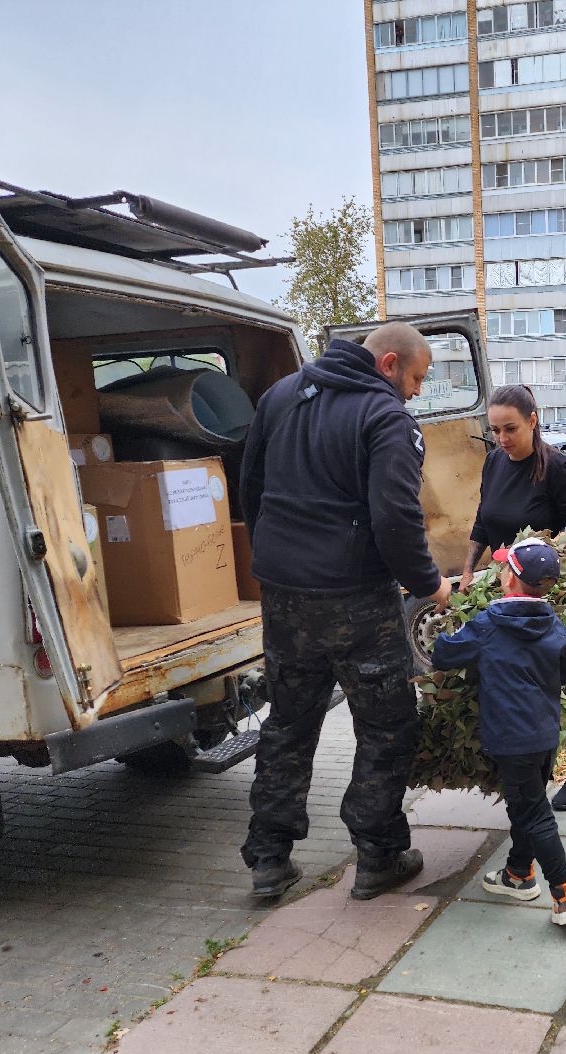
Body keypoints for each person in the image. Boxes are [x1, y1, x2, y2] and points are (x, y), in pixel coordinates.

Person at [240, 323, 453, 901]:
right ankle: (379, 854)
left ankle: (268, 858)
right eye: (416, 378)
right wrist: (429, 585)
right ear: (389, 364)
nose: (415, 392)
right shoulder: (387, 419)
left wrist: (277, 559)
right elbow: (395, 518)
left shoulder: (280, 397)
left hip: (284, 597)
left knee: (288, 722)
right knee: (387, 726)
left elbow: (251, 489)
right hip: (358, 600)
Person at [459, 385, 566, 811]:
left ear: (533, 421)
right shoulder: (493, 462)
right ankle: (523, 767)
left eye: (510, 429)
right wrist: (468, 569)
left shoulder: (555, 466)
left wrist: (547, 555)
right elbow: (484, 519)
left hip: (544, 591)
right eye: (495, 429)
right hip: (503, 587)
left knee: (558, 677)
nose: (502, 438)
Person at [433, 537, 566, 925]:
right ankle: (518, 873)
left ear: (510, 580)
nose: (499, 572)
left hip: (511, 739)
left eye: (503, 567)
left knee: (534, 812)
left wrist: (441, 629)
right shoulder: (553, 623)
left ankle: (565, 893)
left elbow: (445, 655)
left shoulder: (488, 624)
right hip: (546, 734)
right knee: (527, 802)